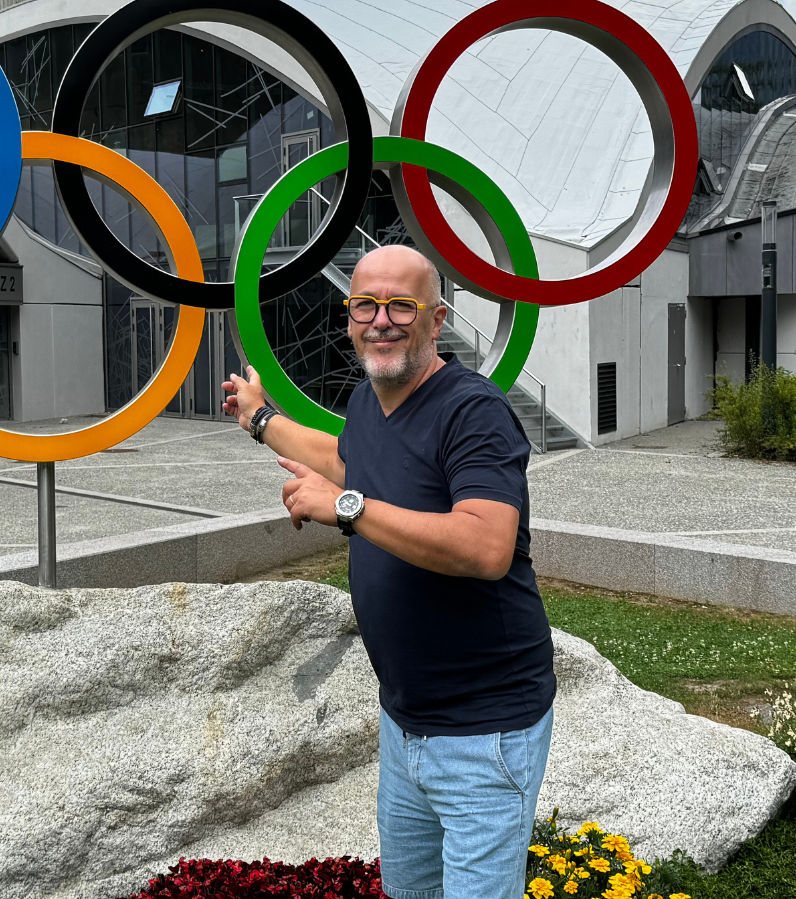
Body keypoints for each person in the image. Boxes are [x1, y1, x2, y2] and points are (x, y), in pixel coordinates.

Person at [223, 244, 556, 899]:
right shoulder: (369, 400)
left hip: (484, 731)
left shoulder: (473, 411)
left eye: (402, 305)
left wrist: (347, 509)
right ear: (349, 317)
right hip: (405, 723)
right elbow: (350, 461)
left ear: (436, 319)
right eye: (365, 305)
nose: (382, 320)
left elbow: (486, 545)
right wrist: (260, 419)